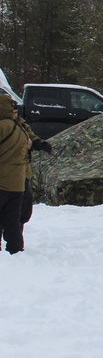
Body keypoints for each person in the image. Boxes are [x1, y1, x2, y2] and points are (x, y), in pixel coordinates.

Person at [8, 98, 52, 227]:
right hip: (10, 172)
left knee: (23, 209)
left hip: (23, 171)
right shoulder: (6, 125)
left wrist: (38, 142)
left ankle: (16, 241)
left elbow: (29, 134)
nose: (16, 113)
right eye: (13, 110)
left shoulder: (20, 123)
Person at [0, 98, 33, 254]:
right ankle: (15, 249)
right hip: (18, 182)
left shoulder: (2, 127)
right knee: (13, 220)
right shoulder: (21, 129)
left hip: (2, 180)